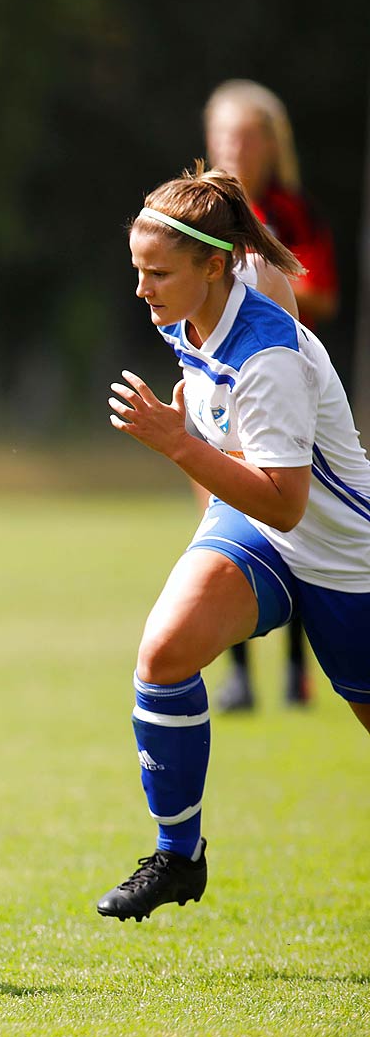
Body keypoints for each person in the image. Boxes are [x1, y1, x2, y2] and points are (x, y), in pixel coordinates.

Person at [99, 165, 370, 922]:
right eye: (137, 270)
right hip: (254, 529)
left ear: (212, 269)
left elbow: (288, 503)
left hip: (344, 552)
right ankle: (178, 856)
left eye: (158, 273)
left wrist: (179, 442)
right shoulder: (187, 314)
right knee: (163, 655)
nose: (143, 289)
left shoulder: (269, 358)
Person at [202, 80, 342, 711]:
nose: (235, 146)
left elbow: (321, 291)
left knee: (291, 521)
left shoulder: (289, 212)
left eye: (246, 135)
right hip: (219, 389)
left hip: (282, 390)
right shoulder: (200, 215)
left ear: (269, 144)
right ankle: (239, 678)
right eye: (225, 134)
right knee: (223, 518)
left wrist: (260, 285)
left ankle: (295, 673)